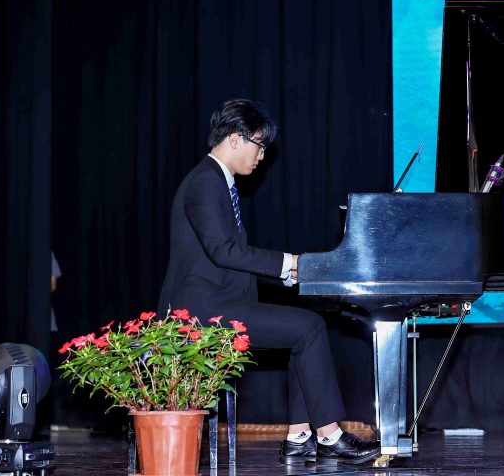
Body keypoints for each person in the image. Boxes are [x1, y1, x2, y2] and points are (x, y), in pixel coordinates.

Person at [158, 99, 380, 465]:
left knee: (302, 328)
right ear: (235, 139)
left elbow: (226, 257)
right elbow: (223, 251)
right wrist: (287, 263)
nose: (262, 156)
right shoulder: (204, 182)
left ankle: (299, 435)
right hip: (201, 313)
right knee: (307, 327)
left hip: (219, 305)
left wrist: (291, 273)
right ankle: (329, 435)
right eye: (259, 145)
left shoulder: (214, 182)